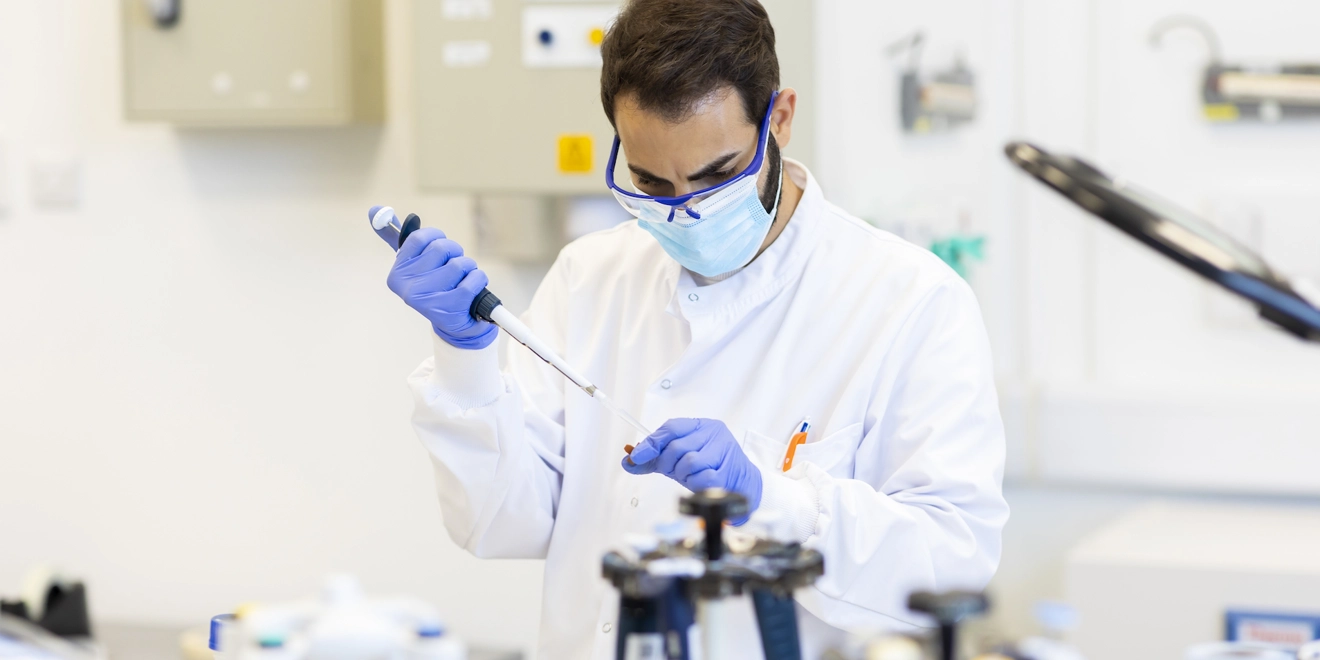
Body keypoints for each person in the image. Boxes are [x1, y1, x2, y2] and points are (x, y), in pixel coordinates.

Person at [385, 0, 1008, 657]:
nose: (686, 211)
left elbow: (952, 560)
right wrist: (466, 361)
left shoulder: (908, 301)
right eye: (651, 181)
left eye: (716, 175)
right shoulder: (592, 275)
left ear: (782, 118)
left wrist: (771, 498)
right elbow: (501, 522)